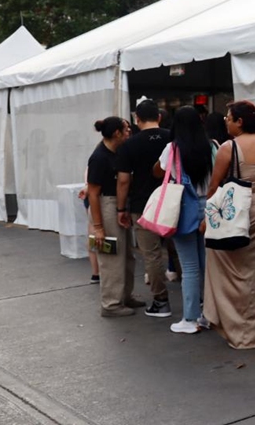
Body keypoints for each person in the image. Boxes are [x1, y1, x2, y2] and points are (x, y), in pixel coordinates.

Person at [204, 100, 255, 349]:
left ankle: (243, 330)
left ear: (240, 121)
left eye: (229, 118)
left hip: (241, 210)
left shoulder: (230, 148)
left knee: (233, 268)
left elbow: (214, 186)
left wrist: (207, 216)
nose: (226, 121)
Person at [154, 106, 215, 334]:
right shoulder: (212, 146)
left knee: (189, 267)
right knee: (206, 265)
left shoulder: (172, 149)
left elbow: (162, 170)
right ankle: (208, 314)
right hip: (208, 208)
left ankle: (190, 319)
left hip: (184, 208)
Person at [115, 100, 173, 318]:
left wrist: (122, 209)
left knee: (152, 254)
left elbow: (123, 181)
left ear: (136, 119)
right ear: (158, 117)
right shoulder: (172, 137)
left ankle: (161, 300)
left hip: (143, 205)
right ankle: (197, 299)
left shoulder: (129, 145)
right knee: (184, 252)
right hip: (173, 202)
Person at [87, 116, 145, 318]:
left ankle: (124, 295)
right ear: (116, 133)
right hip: (106, 205)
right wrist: (98, 226)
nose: (129, 132)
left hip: (118, 205)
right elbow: (93, 192)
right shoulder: (99, 157)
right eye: (126, 129)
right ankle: (111, 303)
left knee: (126, 255)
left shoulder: (118, 152)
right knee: (111, 256)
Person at [78, 171, 100, 284]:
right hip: (99, 195)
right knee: (97, 233)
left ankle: (95, 273)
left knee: (92, 232)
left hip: (90, 194)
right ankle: (99, 272)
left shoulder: (94, 159)